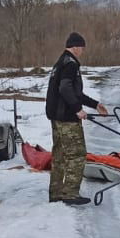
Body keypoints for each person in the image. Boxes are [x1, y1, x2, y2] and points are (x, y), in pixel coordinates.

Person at [45, 32, 108, 205]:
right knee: (77, 155)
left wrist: (95, 105)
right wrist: (77, 109)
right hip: (66, 118)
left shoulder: (61, 62)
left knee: (59, 155)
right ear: (76, 46)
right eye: (82, 48)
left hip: (57, 118)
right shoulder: (71, 64)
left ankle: (56, 193)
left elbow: (75, 92)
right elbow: (65, 89)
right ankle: (70, 194)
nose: (83, 51)